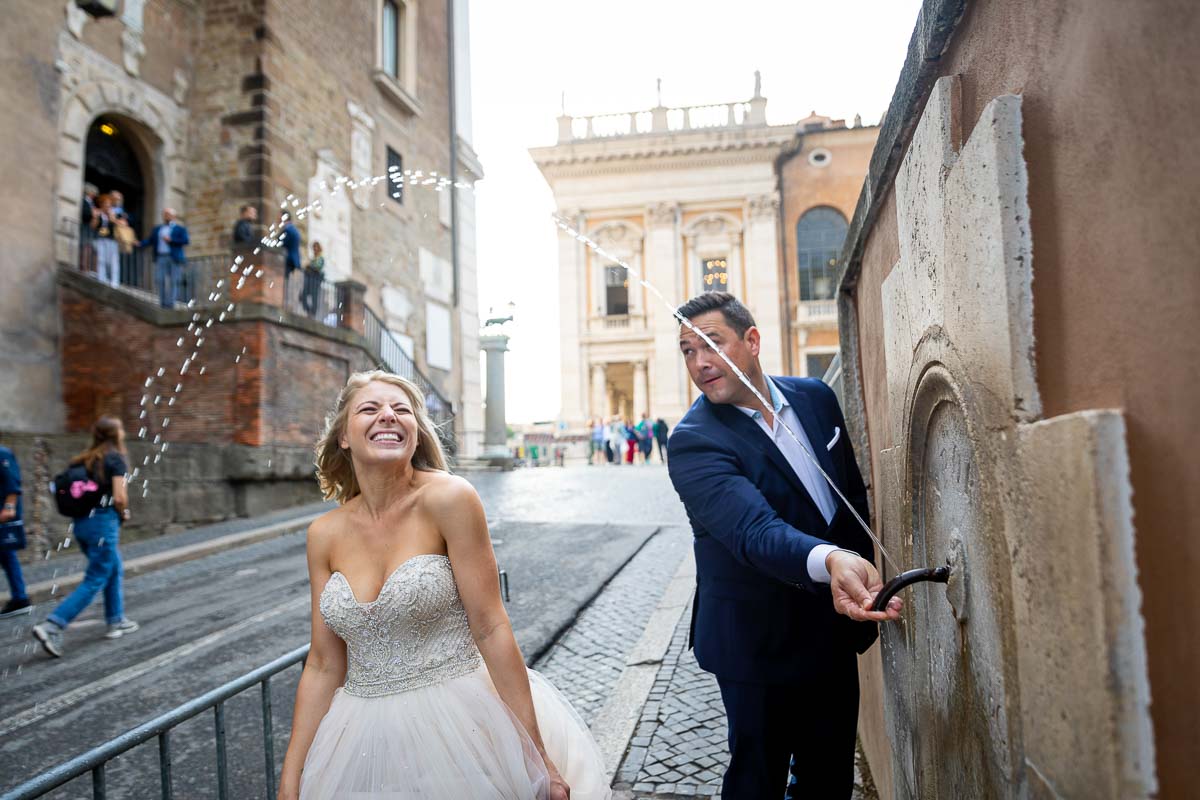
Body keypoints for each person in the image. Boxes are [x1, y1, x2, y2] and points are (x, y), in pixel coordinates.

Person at [277, 370, 608, 799]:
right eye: (369, 409)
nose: (388, 417)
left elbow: (490, 627)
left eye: (401, 410)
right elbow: (323, 665)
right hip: (359, 741)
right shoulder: (323, 534)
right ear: (344, 435)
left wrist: (535, 754)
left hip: (464, 726)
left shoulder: (450, 499)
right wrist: (291, 778)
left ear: (416, 433)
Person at [666, 292, 901, 799]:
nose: (700, 362)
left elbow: (851, 497)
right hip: (754, 643)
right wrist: (834, 560)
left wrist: (864, 584)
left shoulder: (816, 396)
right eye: (687, 350)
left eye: (712, 343)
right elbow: (755, 532)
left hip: (833, 627)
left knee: (829, 777)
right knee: (758, 781)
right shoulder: (693, 441)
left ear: (751, 340)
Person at [31, 417, 138, 657]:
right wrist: (125, 512)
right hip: (103, 522)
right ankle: (53, 625)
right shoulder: (115, 459)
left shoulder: (83, 460)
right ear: (116, 434)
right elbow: (119, 497)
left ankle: (116, 620)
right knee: (96, 577)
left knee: (113, 568)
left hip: (82, 525)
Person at [0, 444, 30, 618]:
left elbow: (12, 482)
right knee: (7, 556)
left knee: (8, 555)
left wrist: (9, 507)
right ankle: (20, 598)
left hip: (3, 515)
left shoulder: (2, 453)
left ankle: (20, 598)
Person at [141, 208, 190, 309]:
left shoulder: (180, 228)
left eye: (168, 214)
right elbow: (150, 240)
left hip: (174, 258)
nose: (166, 216)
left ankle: (171, 303)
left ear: (174, 216)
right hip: (160, 257)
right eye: (165, 214)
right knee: (159, 279)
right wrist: (139, 244)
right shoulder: (158, 229)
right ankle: (163, 303)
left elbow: (186, 241)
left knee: (174, 281)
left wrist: (171, 240)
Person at [90, 193, 120, 287]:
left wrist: (111, 216)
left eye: (109, 204)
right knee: (101, 259)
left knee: (113, 261)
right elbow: (93, 226)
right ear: (102, 204)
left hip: (111, 239)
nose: (107, 206)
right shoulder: (99, 214)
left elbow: (117, 224)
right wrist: (95, 217)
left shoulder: (113, 213)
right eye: (105, 204)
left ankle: (114, 282)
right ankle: (102, 279)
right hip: (101, 238)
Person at [301, 241, 325, 318]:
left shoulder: (320, 258)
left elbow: (318, 267)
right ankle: (308, 311)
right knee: (302, 296)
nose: (314, 249)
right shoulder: (314, 259)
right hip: (309, 280)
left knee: (314, 298)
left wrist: (309, 265)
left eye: (316, 247)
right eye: (314, 247)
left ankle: (312, 313)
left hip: (315, 281)